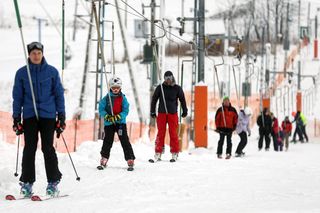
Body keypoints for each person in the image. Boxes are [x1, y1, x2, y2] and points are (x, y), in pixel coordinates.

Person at [12, 41, 65, 197]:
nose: (36, 56)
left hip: (48, 115)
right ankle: (27, 183)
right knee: (29, 148)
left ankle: (53, 183)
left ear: (43, 54)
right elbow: (17, 97)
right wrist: (16, 118)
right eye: (33, 53)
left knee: (47, 148)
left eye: (39, 53)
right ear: (29, 55)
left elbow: (59, 95)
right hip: (29, 115)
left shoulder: (52, 72)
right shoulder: (22, 73)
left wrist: (61, 116)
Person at [98, 76, 135, 170]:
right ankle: (104, 158)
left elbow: (126, 110)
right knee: (108, 140)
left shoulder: (123, 98)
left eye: (117, 88)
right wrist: (106, 116)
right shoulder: (106, 98)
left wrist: (119, 116)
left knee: (124, 140)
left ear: (120, 88)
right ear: (110, 87)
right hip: (109, 123)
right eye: (113, 88)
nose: (115, 89)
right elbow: (101, 109)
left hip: (120, 123)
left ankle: (130, 158)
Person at [150, 71, 188, 162]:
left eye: (169, 78)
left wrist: (184, 110)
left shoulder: (177, 88)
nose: (168, 80)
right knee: (161, 133)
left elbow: (182, 99)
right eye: (166, 78)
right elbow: (154, 99)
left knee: (173, 133)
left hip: (172, 113)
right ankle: (158, 152)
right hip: (162, 113)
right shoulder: (160, 88)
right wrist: (152, 111)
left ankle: (174, 152)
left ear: (172, 78)